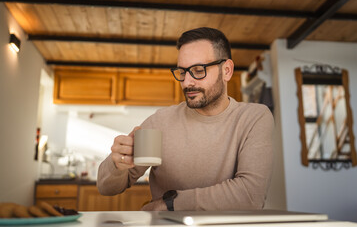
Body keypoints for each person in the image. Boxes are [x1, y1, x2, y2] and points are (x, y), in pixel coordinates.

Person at [97, 27, 274, 211]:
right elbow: (107, 188)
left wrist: (171, 203)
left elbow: (251, 195)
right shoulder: (160, 123)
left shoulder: (254, 118)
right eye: (182, 72)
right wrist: (117, 164)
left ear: (227, 70)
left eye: (198, 70)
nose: (187, 82)